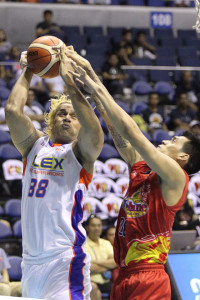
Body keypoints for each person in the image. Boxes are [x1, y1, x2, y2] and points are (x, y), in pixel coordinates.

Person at [65, 49, 200, 300]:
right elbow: (120, 133)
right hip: (124, 274)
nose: (166, 139)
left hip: (149, 276)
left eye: (173, 140)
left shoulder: (177, 177)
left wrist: (97, 90)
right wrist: (91, 73)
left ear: (183, 158)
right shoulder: (144, 171)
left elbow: (134, 134)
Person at [5, 45, 104, 300]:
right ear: (51, 120)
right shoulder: (34, 146)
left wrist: (69, 82)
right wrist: (28, 70)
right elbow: (14, 112)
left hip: (64, 260)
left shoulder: (80, 153)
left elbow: (95, 134)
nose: (68, 118)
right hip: (30, 262)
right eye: (62, 113)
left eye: (73, 114)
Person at [85, 215, 116, 300]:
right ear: (87, 228)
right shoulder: (83, 245)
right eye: (93, 225)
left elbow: (115, 261)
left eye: (99, 225)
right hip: (91, 281)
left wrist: (95, 261)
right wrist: (107, 266)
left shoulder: (106, 243)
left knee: (121, 286)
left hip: (107, 281)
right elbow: (88, 267)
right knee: (93, 287)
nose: (97, 228)